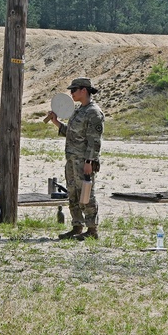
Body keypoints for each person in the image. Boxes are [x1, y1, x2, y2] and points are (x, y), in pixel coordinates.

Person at [45, 77, 105, 241]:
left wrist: (89, 162)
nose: (71, 93)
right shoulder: (79, 111)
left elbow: (94, 140)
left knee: (86, 194)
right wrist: (57, 123)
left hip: (83, 161)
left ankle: (92, 229)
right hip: (72, 160)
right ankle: (77, 226)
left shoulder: (94, 112)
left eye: (74, 90)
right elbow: (72, 134)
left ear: (84, 90)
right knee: (73, 193)